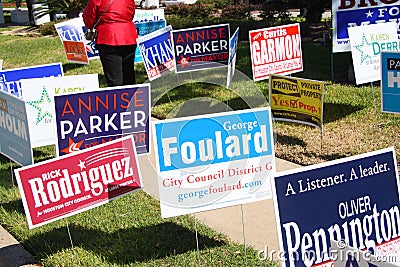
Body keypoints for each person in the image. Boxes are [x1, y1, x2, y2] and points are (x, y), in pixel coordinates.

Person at [83, 0, 138, 86]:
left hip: (108, 36)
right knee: (129, 75)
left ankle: (118, 97)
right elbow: (131, 12)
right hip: (128, 36)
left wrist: (90, 26)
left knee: (114, 78)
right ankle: (132, 97)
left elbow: (88, 16)